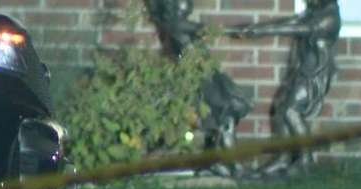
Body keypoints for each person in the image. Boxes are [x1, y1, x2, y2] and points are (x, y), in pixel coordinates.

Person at [228, 0, 341, 174]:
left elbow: (298, 29)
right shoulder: (313, 11)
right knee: (282, 109)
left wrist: (260, 31)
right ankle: (283, 158)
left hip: (315, 74)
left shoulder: (330, 18)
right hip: (302, 69)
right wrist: (254, 28)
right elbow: (290, 22)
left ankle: (306, 160)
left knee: (291, 111)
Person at [146, 0, 251, 175]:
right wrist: (236, 31)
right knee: (225, 117)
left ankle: (216, 162)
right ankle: (232, 164)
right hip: (203, 79)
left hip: (205, 75)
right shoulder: (178, 24)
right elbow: (206, 29)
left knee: (221, 119)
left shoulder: (172, 25)